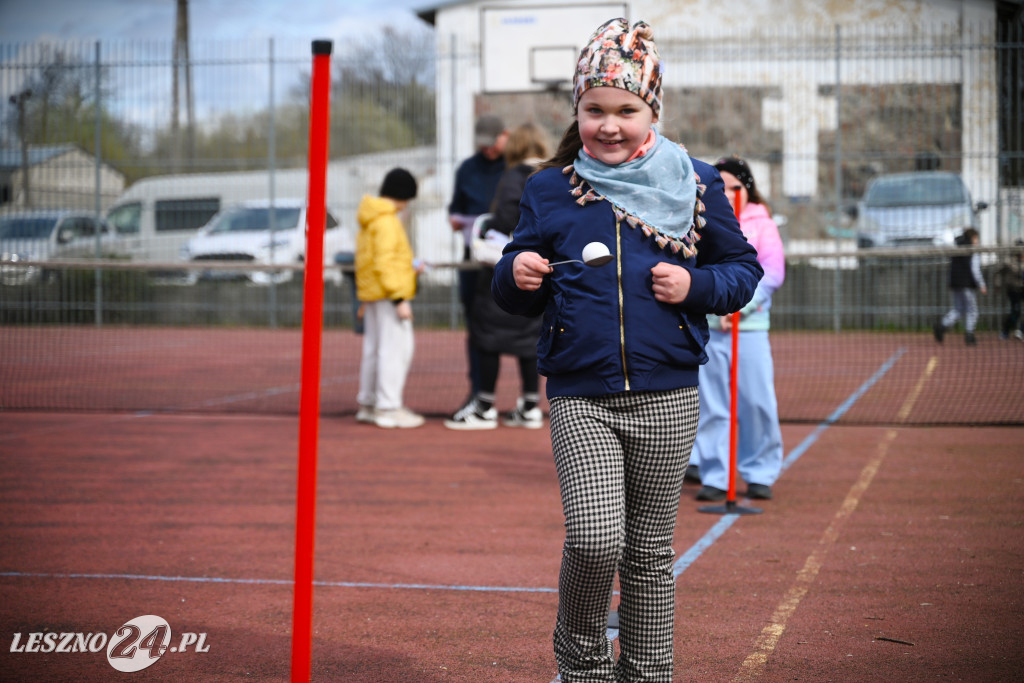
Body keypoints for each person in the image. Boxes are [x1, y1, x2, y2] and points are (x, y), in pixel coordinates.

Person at [491, 18, 762, 681]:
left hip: (667, 394)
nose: (609, 125)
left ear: (652, 111)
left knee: (648, 553)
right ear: (577, 111)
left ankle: (648, 671)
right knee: (593, 540)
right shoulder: (549, 188)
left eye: (626, 110)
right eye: (595, 110)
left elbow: (743, 271)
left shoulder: (697, 182)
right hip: (580, 394)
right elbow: (510, 288)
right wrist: (517, 271)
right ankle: (584, 666)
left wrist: (696, 286)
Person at [690, 156, 786, 502]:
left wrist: (739, 305)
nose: (728, 193)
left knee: (757, 402)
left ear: (747, 188)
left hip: (749, 330)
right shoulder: (700, 217)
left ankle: (760, 470)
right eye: (722, 186)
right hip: (711, 330)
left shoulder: (762, 222)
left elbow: (772, 272)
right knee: (712, 405)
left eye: (735, 187)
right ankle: (715, 474)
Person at [445, 123, 551, 430]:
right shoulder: (552, 175)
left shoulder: (515, 176)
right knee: (530, 339)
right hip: (541, 268)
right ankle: (530, 405)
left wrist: (490, 226)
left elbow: (505, 218)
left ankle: (485, 406)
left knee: (487, 336)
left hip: (511, 267)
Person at [354, 167, 425, 429]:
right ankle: (388, 407)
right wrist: (398, 299)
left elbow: (373, 261)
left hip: (373, 294)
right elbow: (384, 263)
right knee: (395, 350)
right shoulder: (387, 221)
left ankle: (369, 403)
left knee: (374, 350)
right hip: (388, 295)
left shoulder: (371, 218)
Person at [448, 114, 509, 413]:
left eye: (492, 142)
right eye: (482, 144)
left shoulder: (515, 168)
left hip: (510, 258)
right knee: (477, 327)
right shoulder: (467, 169)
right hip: (475, 261)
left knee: (525, 327)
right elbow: (454, 214)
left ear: (504, 136)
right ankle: (479, 395)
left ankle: (530, 400)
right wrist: (467, 223)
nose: (488, 149)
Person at [934, 227, 987, 346]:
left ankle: (942, 325)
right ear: (973, 237)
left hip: (955, 283)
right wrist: (981, 284)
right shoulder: (972, 249)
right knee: (972, 310)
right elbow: (975, 269)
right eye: (976, 238)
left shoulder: (956, 245)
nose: (977, 241)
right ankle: (969, 335)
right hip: (966, 284)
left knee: (958, 309)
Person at [996, 240, 1024, 341]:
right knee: (1016, 311)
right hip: (1013, 289)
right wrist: (998, 284)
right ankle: (1005, 331)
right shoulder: (1009, 261)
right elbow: (998, 272)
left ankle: (1021, 331)